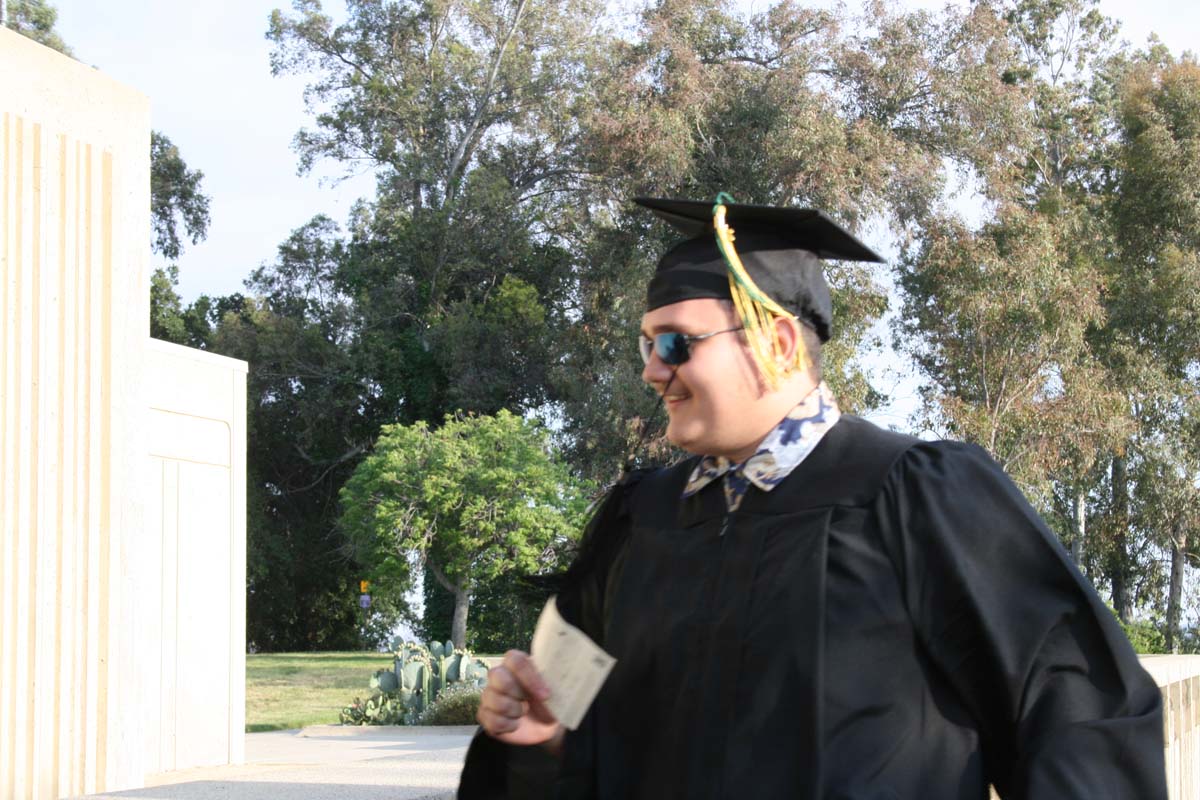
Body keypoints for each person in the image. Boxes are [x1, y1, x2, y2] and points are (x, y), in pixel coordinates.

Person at [458, 196, 1167, 799]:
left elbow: (1077, 715)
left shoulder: (914, 497)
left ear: (779, 342)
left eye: (674, 343)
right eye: (644, 344)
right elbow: (576, 739)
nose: (651, 370)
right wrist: (538, 747)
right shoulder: (638, 523)